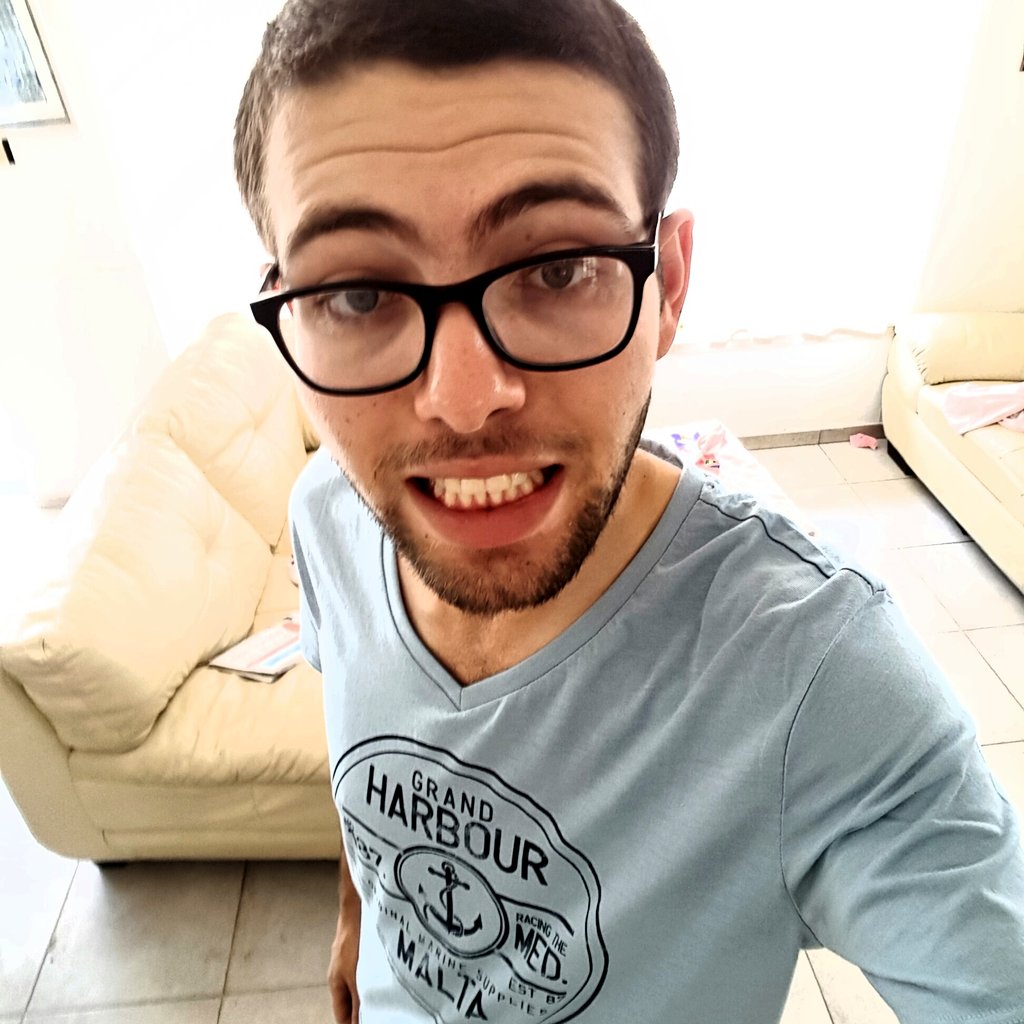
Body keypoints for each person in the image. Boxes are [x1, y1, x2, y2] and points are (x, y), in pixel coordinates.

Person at [233, 1, 1024, 1020]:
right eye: (355, 293)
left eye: (557, 269)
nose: (465, 399)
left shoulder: (813, 676)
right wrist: (357, 917)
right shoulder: (328, 517)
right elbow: (368, 760)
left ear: (669, 285)